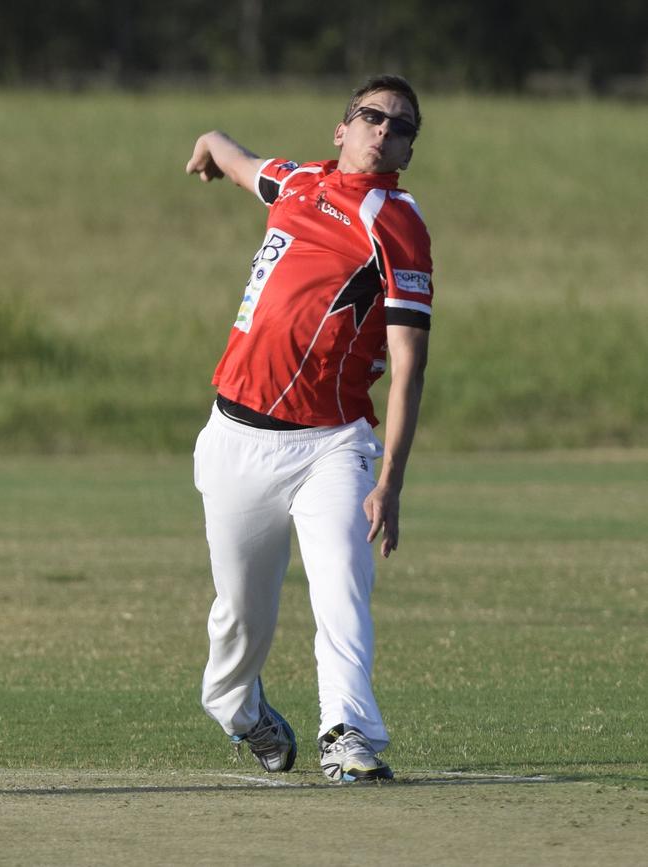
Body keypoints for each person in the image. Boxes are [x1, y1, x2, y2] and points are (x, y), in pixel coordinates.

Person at [186, 74, 433, 783]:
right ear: (342, 129)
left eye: (402, 126)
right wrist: (208, 143)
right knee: (240, 614)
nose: (385, 129)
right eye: (372, 116)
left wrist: (390, 479)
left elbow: (411, 360)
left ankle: (348, 733)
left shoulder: (397, 221)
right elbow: (237, 158)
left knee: (341, 586)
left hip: (333, 441)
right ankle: (238, 708)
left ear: (408, 151)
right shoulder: (294, 183)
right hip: (235, 436)